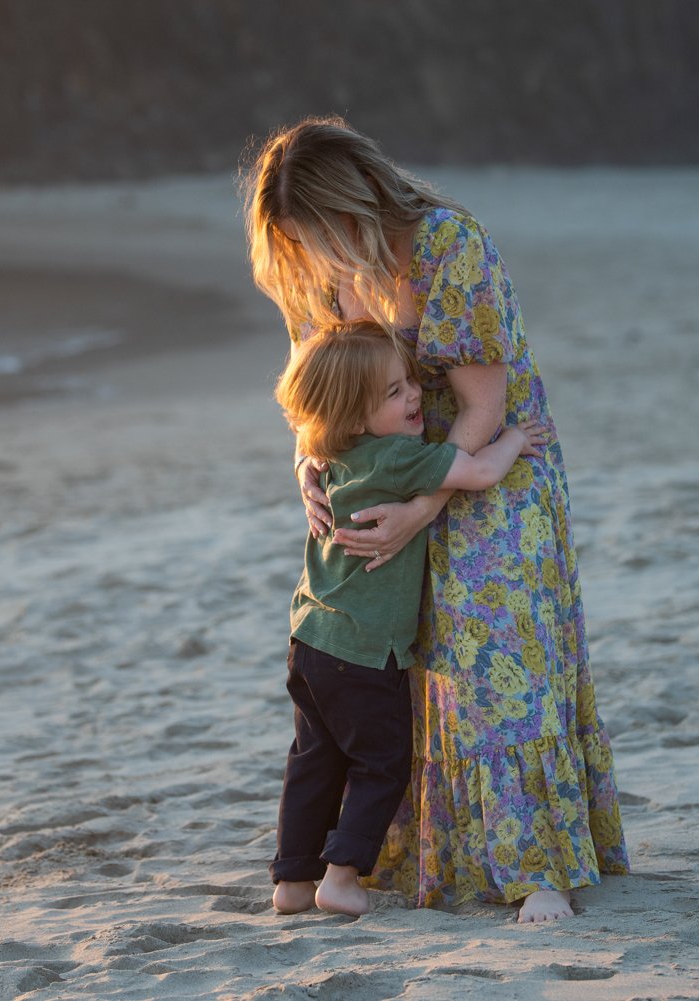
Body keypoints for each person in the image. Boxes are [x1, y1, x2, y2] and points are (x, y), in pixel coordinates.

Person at [241, 116, 630, 923]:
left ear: (355, 200)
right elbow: (316, 400)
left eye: (325, 230)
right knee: (405, 673)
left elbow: (485, 402)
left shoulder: (450, 246)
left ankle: (538, 872)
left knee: (497, 657)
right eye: (304, 240)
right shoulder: (316, 274)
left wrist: (421, 509)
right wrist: (309, 472)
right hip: (387, 470)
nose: (320, 255)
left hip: (492, 465)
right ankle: (420, 857)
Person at [271, 321, 549, 917]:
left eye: (409, 382)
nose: (415, 396)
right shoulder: (396, 457)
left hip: (311, 638)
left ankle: (292, 880)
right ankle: (341, 878)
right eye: (394, 394)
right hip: (363, 651)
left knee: (315, 759)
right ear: (353, 415)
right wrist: (514, 437)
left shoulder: (330, 454)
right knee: (381, 762)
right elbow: (477, 474)